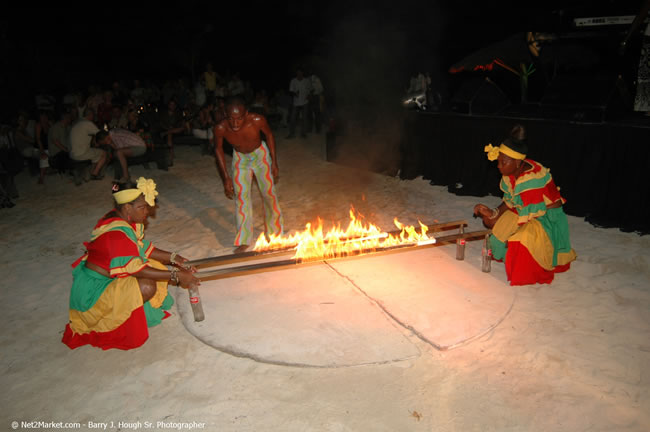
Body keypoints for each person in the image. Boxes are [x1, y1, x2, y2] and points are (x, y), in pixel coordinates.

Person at [62, 178, 200, 350]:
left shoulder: (124, 219)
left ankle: (134, 310)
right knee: (147, 285)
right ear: (127, 207)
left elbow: (143, 250)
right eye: (142, 207)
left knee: (156, 266)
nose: (147, 212)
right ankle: (121, 319)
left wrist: (175, 258)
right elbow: (137, 270)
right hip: (95, 291)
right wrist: (176, 275)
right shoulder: (117, 234)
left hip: (109, 277)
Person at [473, 124, 577, 286]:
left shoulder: (531, 180)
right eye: (498, 161)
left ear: (517, 162)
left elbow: (533, 215)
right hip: (524, 212)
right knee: (494, 225)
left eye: (503, 162)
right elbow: (511, 201)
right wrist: (492, 212)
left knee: (520, 239)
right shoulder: (511, 172)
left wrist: (513, 234)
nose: (499, 166)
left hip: (545, 219)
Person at [213, 96, 284, 253]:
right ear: (225, 115)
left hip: (260, 155)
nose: (235, 123)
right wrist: (226, 177)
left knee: (268, 194)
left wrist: (274, 161)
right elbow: (218, 149)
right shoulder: (221, 128)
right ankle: (244, 239)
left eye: (239, 119)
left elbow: (270, 135)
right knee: (242, 199)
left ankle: (275, 233)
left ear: (246, 115)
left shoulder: (257, 120)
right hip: (240, 159)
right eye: (231, 118)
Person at [69, 108, 108, 180]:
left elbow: (88, 135)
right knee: (104, 153)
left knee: (95, 153)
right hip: (81, 153)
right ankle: (94, 174)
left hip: (72, 154)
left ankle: (89, 173)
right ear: (90, 115)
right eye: (93, 115)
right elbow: (101, 135)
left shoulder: (77, 122)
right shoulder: (88, 123)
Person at [157, 99, 185, 167]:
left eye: (173, 105)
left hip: (174, 130)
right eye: (171, 104)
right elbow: (161, 123)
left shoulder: (177, 113)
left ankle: (167, 132)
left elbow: (180, 123)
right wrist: (167, 128)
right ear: (168, 105)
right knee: (169, 135)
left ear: (175, 106)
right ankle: (171, 157)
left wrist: (173, 127)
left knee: (181, 128)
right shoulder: (164, 113)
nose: (172, 106)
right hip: (166, 130)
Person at [286, 67, 312, 139]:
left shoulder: (306, 80)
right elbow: (291, 91)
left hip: (305, 102)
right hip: (296, 102)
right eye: (298, 73)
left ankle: (303, 133)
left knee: (304, 118)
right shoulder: (293, 81)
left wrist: (309, 96)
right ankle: (291, 134)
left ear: (302, 73)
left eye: (300, 73)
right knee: (293, 118)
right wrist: (295, 94)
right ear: (296, 73)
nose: (299, 74)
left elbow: (310, 89)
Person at [34, 110, 52, 184]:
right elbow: (38, 139)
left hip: (47, 147)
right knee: (44, 157)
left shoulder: (48, 124)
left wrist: (51, 124)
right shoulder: (38, 125)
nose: (44, 118)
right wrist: (42, 151)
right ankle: (41, 177)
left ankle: (48, 169)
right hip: (38, 148)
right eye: (42, 117)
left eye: (45, 116)